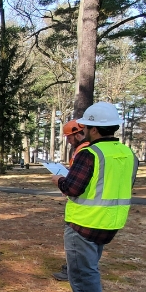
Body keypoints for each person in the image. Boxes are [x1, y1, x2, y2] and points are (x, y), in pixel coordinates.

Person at [50, 102, 137, 292]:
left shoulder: (90, 154)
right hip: (111, 222)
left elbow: (72, 188)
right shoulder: (128, 154)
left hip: (84, 223)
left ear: (95, 130)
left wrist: (58, 180)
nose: (84, 130)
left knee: (83, 274)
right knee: (85, 268)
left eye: (87, 127)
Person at [53, 120, 90, 282]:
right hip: (92, 207)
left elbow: (74, 187)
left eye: (69, 137)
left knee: (76, 242)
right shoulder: (89, 150)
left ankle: (73, 271)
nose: (68, 140)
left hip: (83, 208)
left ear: (78, 133)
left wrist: (62, 182)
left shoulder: (85, 152)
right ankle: (74, 268)